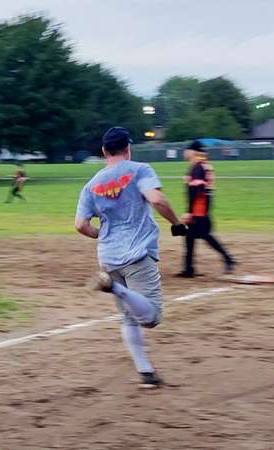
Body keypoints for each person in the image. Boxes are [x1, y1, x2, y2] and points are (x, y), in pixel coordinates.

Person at [75, 127, 187, 389]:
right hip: (136, 254)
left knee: (127, 317)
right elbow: (156, 199)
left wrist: (101, 234)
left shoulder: (91, 185)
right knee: (151, 317)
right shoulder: (139, 169)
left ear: (104, 151)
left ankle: (146, 373)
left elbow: (81, 225)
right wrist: (176, 223)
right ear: (128, 148)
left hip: (108, 256)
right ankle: (111, 287)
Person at [177, 140, 236, 278]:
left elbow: (195, 191)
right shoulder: (204, 166)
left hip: (199, 210)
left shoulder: (197, 168)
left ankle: (228, 258)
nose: (185, 152)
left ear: (193, 152)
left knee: (205, 236)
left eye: (187, 150)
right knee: (190, 238)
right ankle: (188, 268)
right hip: (202, 209)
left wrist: (189, 211)